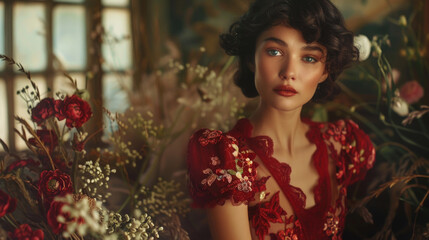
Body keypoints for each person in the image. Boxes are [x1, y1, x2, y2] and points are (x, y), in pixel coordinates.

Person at [187, 0, 376, 239]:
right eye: (274, 51)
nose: (289, 72)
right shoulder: (225, 159)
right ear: (250, 58)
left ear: (325, 70)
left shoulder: (342, 145)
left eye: (309, 58)